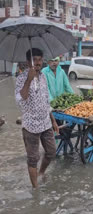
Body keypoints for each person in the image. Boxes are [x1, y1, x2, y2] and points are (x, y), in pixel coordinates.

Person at [15, 48, 59, 188]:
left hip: (45, 122)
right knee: (33, 158)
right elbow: (21, 100)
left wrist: (53, 121)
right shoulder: (21, 78)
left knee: (51, 152)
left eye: (40, 59)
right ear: (28, 62)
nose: (38, 62)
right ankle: (35, 189)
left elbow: (46, 101)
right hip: (30, 125)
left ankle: (41, 172)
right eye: (35, 60)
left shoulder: (43, 77)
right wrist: (28, 79)